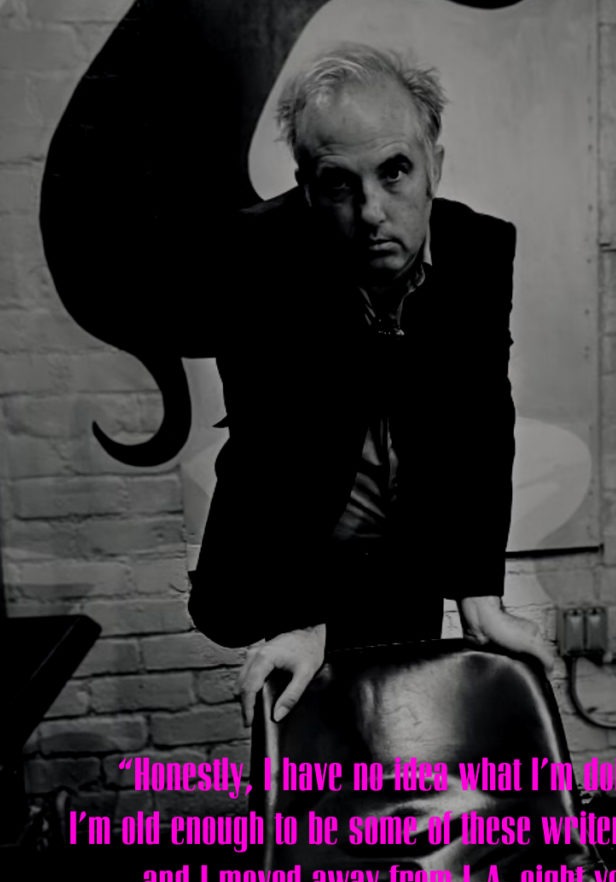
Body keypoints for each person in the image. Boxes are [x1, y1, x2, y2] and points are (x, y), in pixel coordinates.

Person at [188, 43, 554, 725]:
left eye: (394, 172)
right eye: (338, 184)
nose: (371, 211)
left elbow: (481, 419)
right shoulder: (252, 255)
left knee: (400, 730)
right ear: (305, 187)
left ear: (434, 166)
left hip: (403, 552)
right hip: (293, 549)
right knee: (314, 741)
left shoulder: (479, 250)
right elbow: (271, 444)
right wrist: (298, 616)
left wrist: (479, 593)